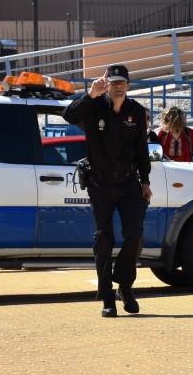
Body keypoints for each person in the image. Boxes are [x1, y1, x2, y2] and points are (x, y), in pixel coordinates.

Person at [63, 64, 151, 317]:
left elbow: (141, 151)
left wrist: (145, 181)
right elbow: (68, 115)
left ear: (128, 84)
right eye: (112, 82)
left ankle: (124, 285)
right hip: (100, 184)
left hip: (128, 183)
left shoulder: (136, 111)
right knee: (104, 238)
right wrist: (89, 95)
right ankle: (107, 298)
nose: (117, 86)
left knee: (134, 235)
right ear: (106, 84)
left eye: (121, 82)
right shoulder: (93, 107)